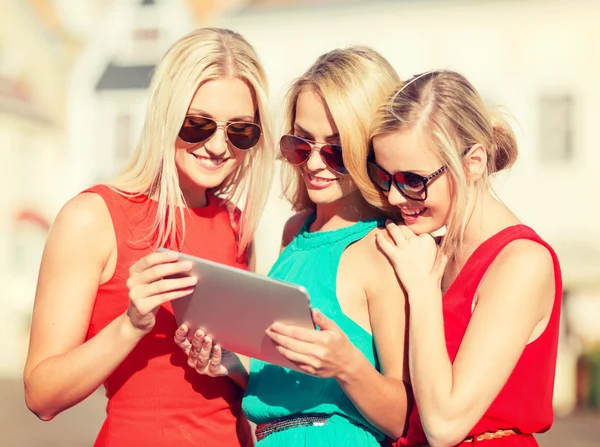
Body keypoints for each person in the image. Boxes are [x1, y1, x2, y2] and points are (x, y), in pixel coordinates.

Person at [23, 28, 274, 447]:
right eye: (198, 124)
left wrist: (229, 363)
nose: (217, 146)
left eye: (240, 131)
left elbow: (237, 387)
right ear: (166, 115)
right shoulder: (93, 217)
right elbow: (41, 396)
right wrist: (131, 324)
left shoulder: (237, 223)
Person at [176, 46, 411, 446]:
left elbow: (402, 417)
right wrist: (231, 364)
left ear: (371, 148)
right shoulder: (294, 232)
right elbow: (293, 388)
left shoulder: (383, 249)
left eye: (336, 151)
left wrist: (347, 365)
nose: (315, 165)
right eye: (301, 146)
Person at [364, 70, 562, 446]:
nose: (393, 197)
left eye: (412, 180)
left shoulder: (521, 262)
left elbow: (444, 425)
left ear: (473, 163)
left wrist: (422, 291)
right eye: (384, 176)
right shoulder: (428, 251)